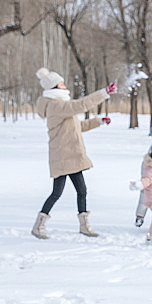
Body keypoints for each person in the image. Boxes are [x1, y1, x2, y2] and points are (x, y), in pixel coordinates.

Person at [31, 67, 117, 239]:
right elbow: (81, 105)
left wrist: (99, 121)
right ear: (54, 87)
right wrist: (104, 93)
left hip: (72, 156)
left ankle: (84, 226)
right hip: (63, 156)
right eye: (61, 83)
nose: (64, 85)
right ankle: (38, 226)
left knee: (82, 190)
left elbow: (78, 127)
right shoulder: (56, 106)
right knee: (57, 193)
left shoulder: (61, 106)